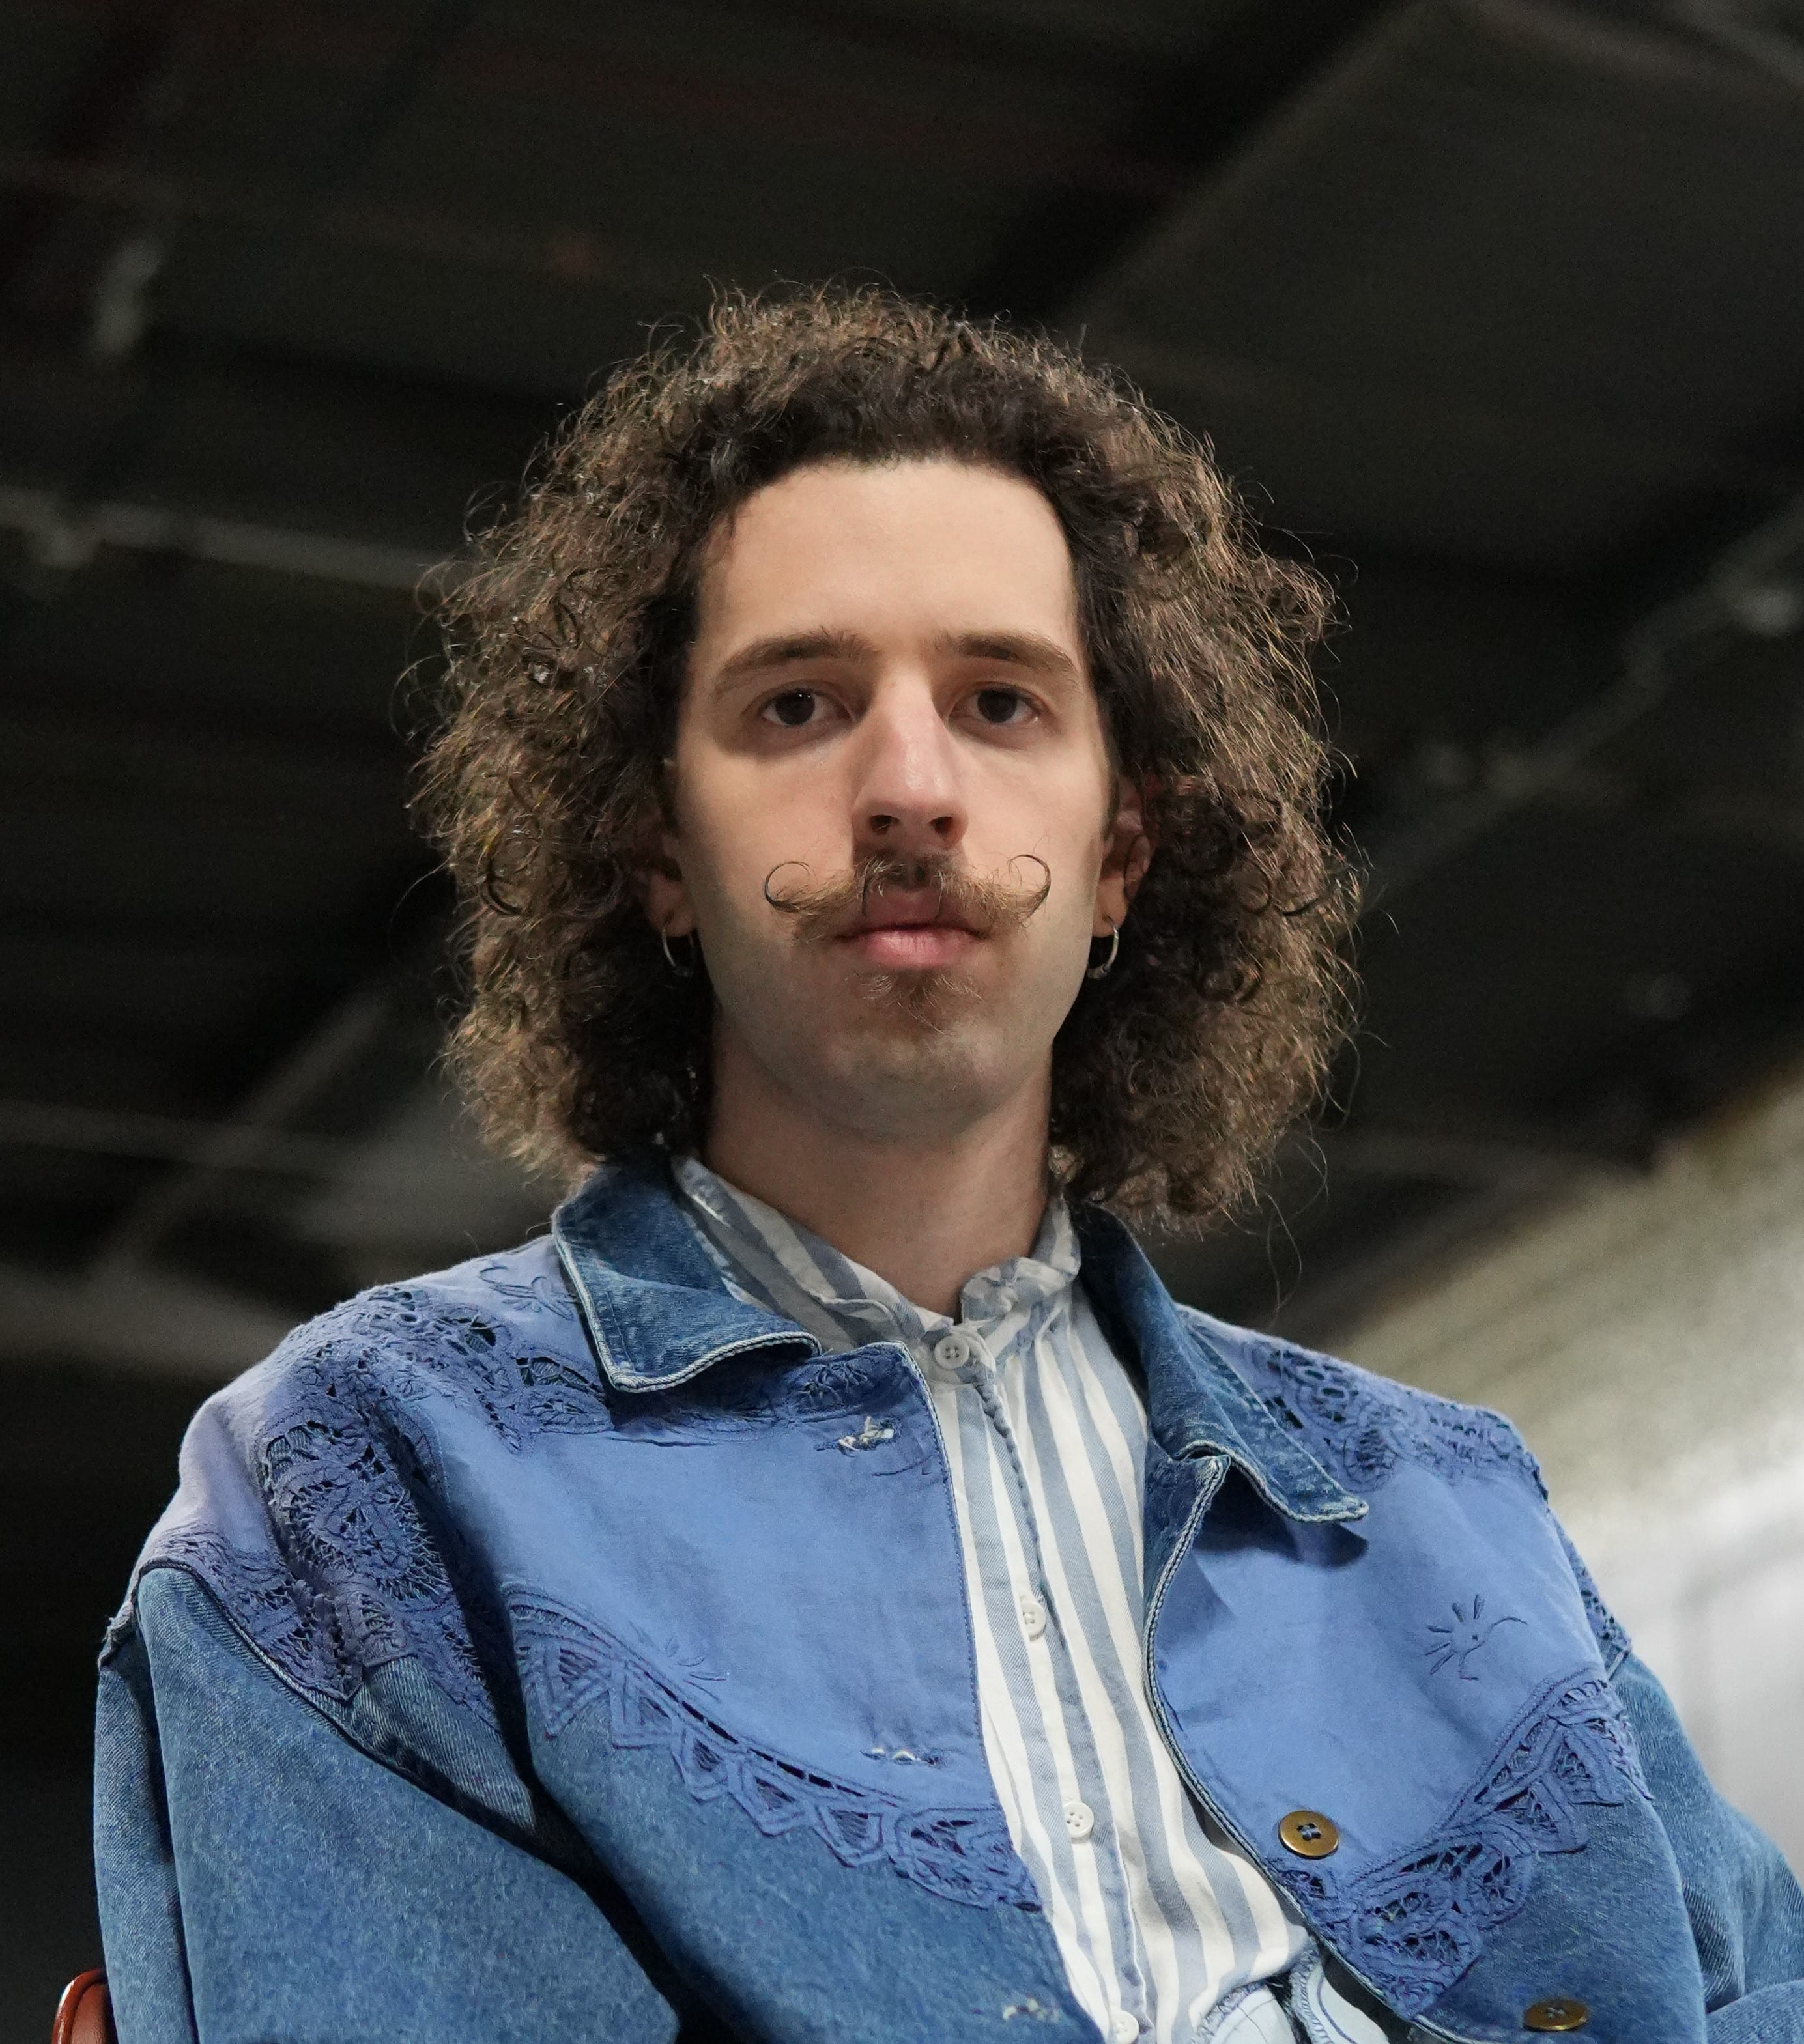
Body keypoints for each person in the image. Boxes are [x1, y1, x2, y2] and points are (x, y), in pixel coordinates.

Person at [94, 288, 1803, 2044]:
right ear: (655, 847)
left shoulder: (1450, 1510)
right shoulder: (366, 1482)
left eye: (999, 701)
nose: (907, 786)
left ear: (1121, 844)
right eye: (797, 705)